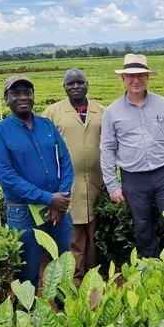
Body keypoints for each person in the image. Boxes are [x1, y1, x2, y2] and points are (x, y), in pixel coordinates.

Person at [0, 75, 73, 290]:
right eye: (16, 93)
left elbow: (65, 161)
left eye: (27, 92)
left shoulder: (47, 126)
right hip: (24, 213)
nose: (23, 97)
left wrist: (61, 198)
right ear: (6, 98)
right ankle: (29, 317)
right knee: (28, 273)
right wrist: (48, 199)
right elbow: (8, 179)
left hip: (59, 210)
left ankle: (65, 315)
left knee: (63, 267)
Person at [100, 53, 164, 257]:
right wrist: (112, 185)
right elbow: (107, 149)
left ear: (148, 77)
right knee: (142, 226)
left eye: (141, 75)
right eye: (130, 76)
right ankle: (151, 268)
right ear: (123, 79)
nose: (136, 80)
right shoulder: (112, 112)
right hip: (133, 178)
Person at [43, 68, 103, 286]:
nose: (76, 87)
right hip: (68, 184)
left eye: (80, 82)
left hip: (97, 182)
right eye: (71, 83)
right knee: (74, 235)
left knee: (93, 233)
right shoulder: (52, 112)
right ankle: (75, 281)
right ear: (64, 87)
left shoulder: (100, 110)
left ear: (87, 84)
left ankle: (93, 277)